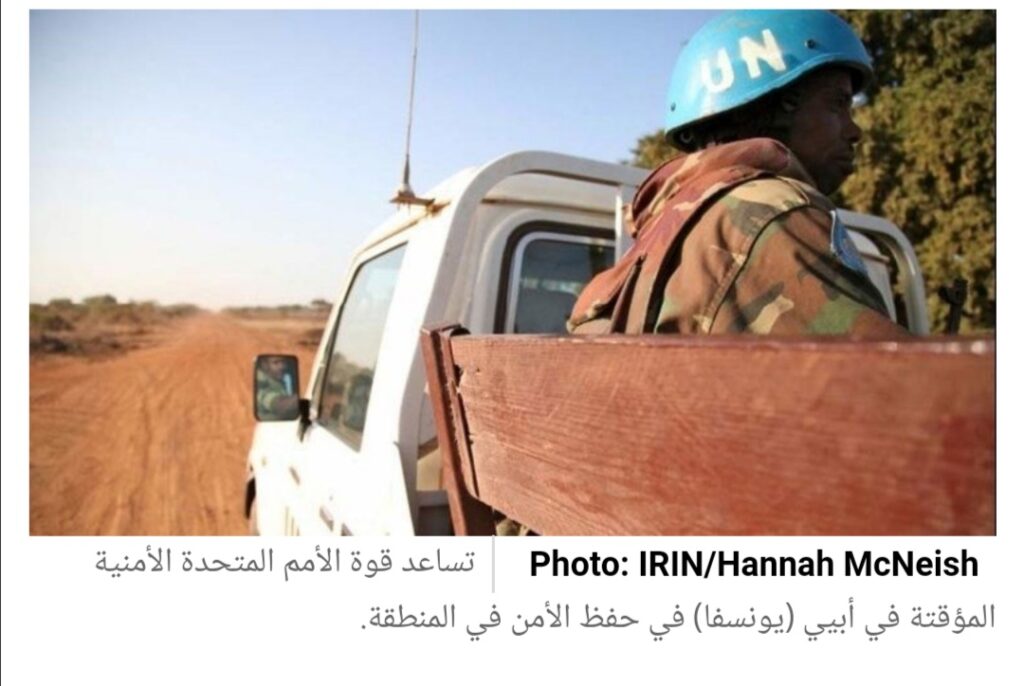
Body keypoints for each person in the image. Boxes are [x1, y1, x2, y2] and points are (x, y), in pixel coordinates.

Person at [568, 10, 908, 337]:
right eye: (838, 103)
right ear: (781, 104)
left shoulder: (663, 230)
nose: (854, 131)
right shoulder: (773, 211)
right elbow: (895, 373)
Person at [256, 356, 299, 420]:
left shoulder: (277, 382)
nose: (282, 366)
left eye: (283, 362)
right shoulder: (261, 384)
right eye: (276, 362)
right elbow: (281, 405)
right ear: (265, 365)